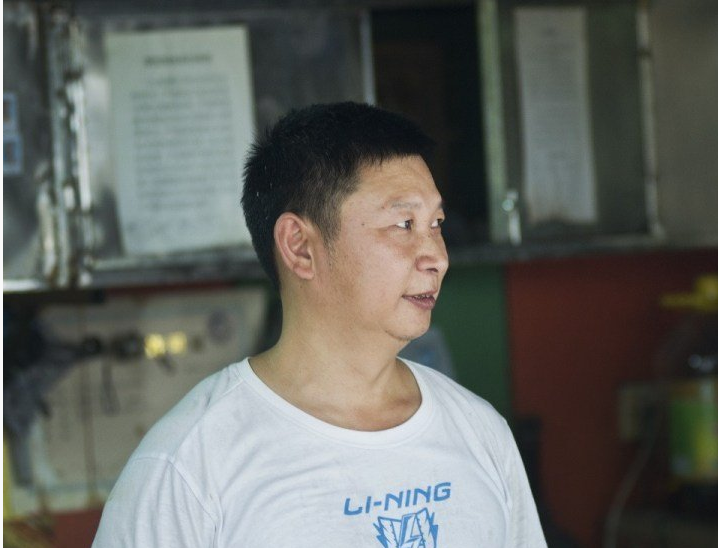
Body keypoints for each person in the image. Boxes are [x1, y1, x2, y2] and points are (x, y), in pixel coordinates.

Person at [92, 102, 547, 547]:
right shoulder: (189, 466)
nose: (437, 258)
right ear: (300, 247)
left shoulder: (480, 433)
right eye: (404, 224)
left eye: (437, 224)